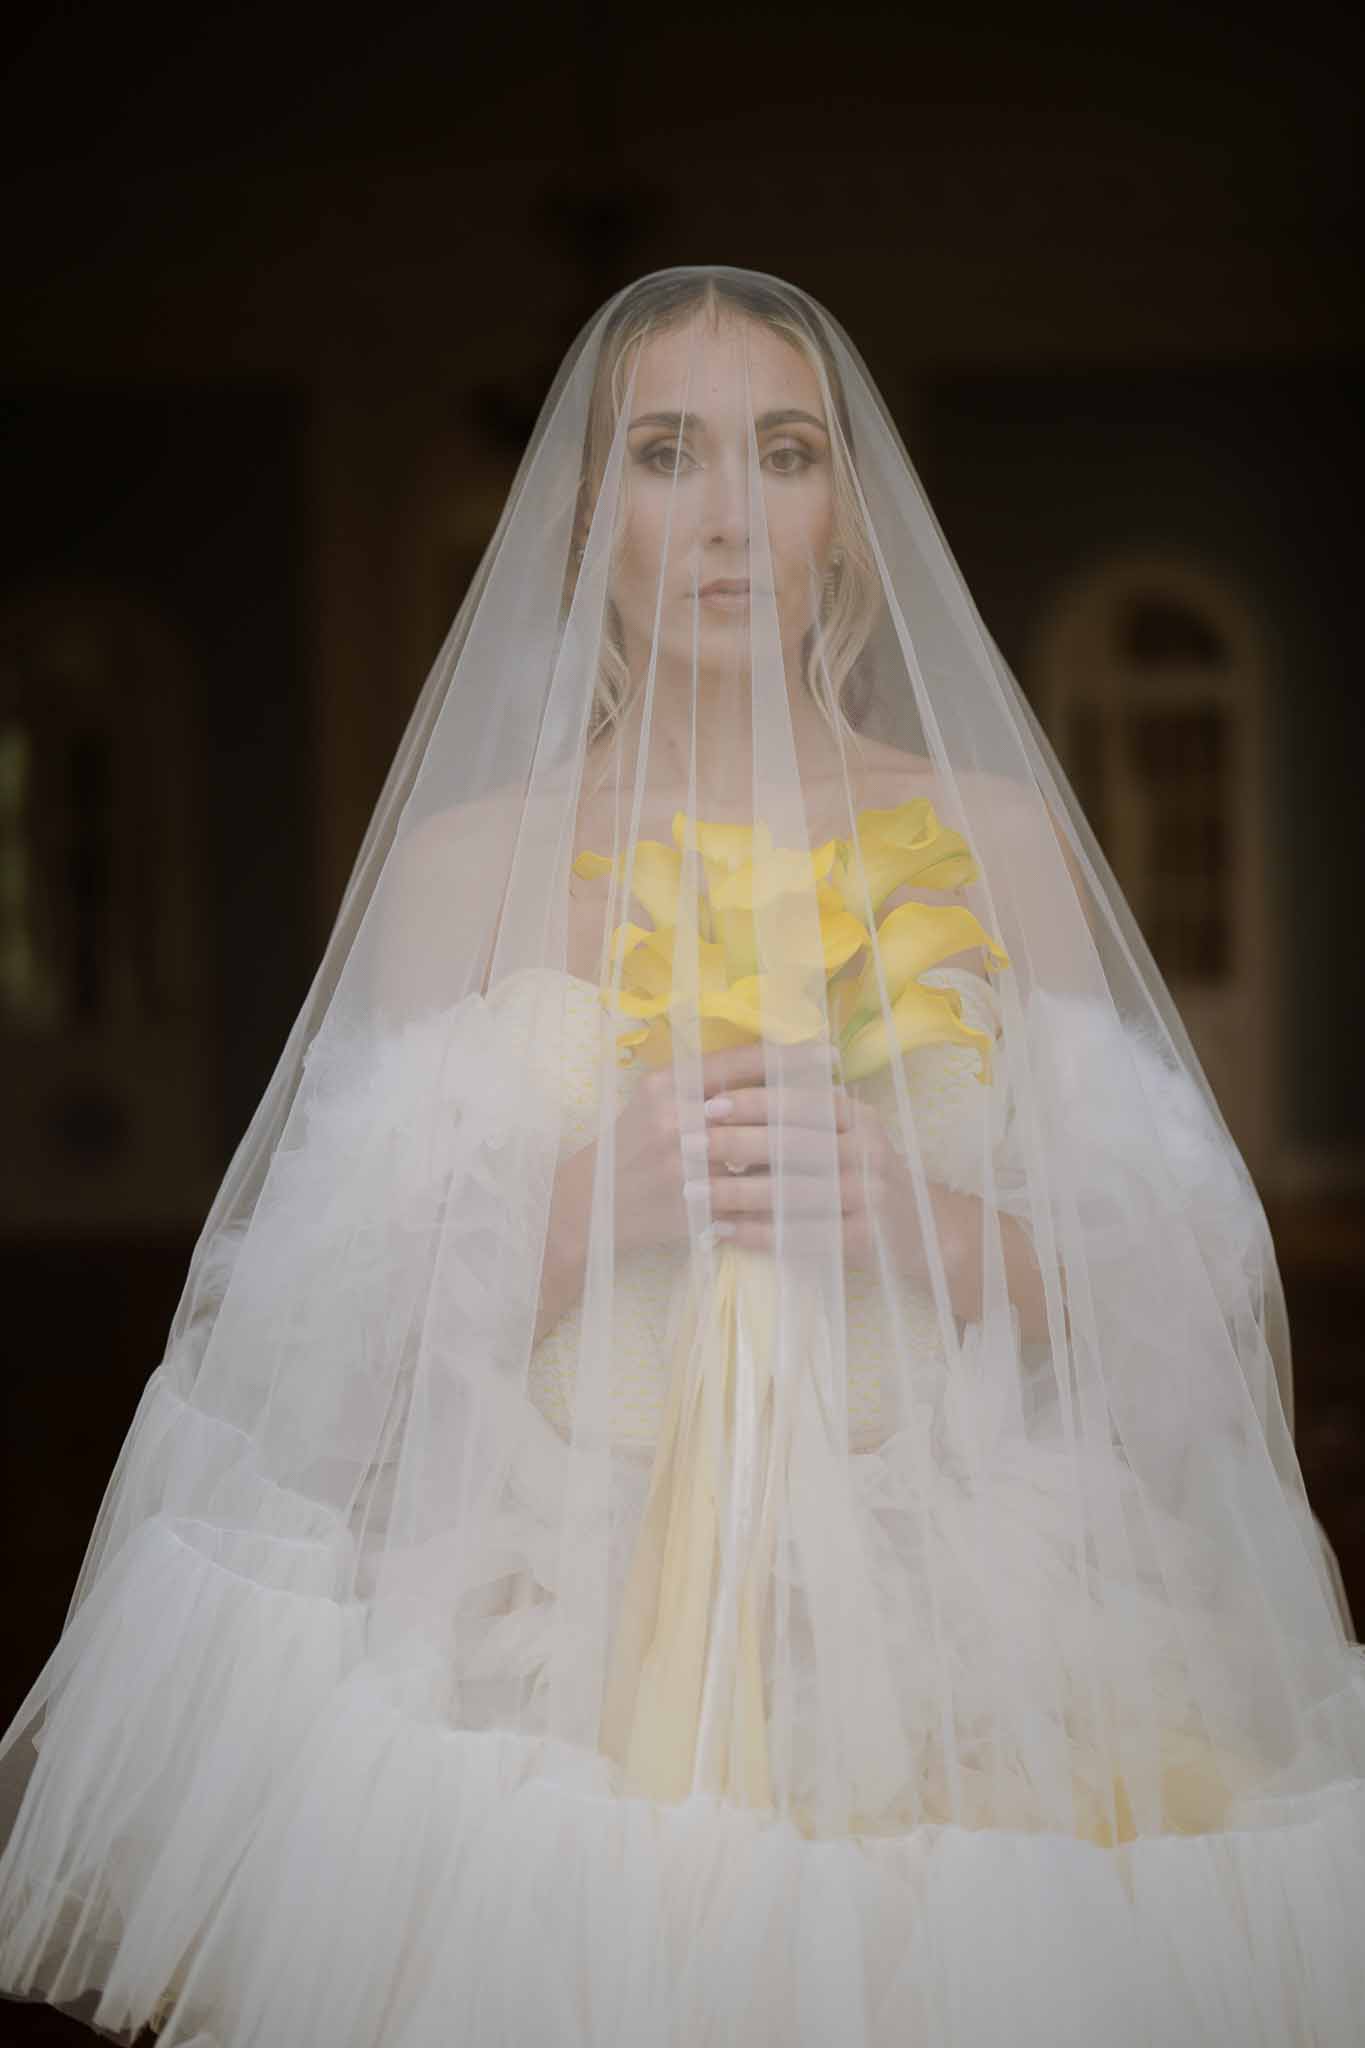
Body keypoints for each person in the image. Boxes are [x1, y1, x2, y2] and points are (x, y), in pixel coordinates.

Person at [1, 264, 1361, 2046]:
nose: (726, 512)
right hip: (535, 1643)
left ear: (845, 523)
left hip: (972, 1636)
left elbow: (1180, 1317)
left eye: (783, 452)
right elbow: (317, 1366)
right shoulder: (462, 868)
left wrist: (921, 1221)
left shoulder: (999, 840)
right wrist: (583, 1213)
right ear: (585, 526)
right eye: (664, 453)